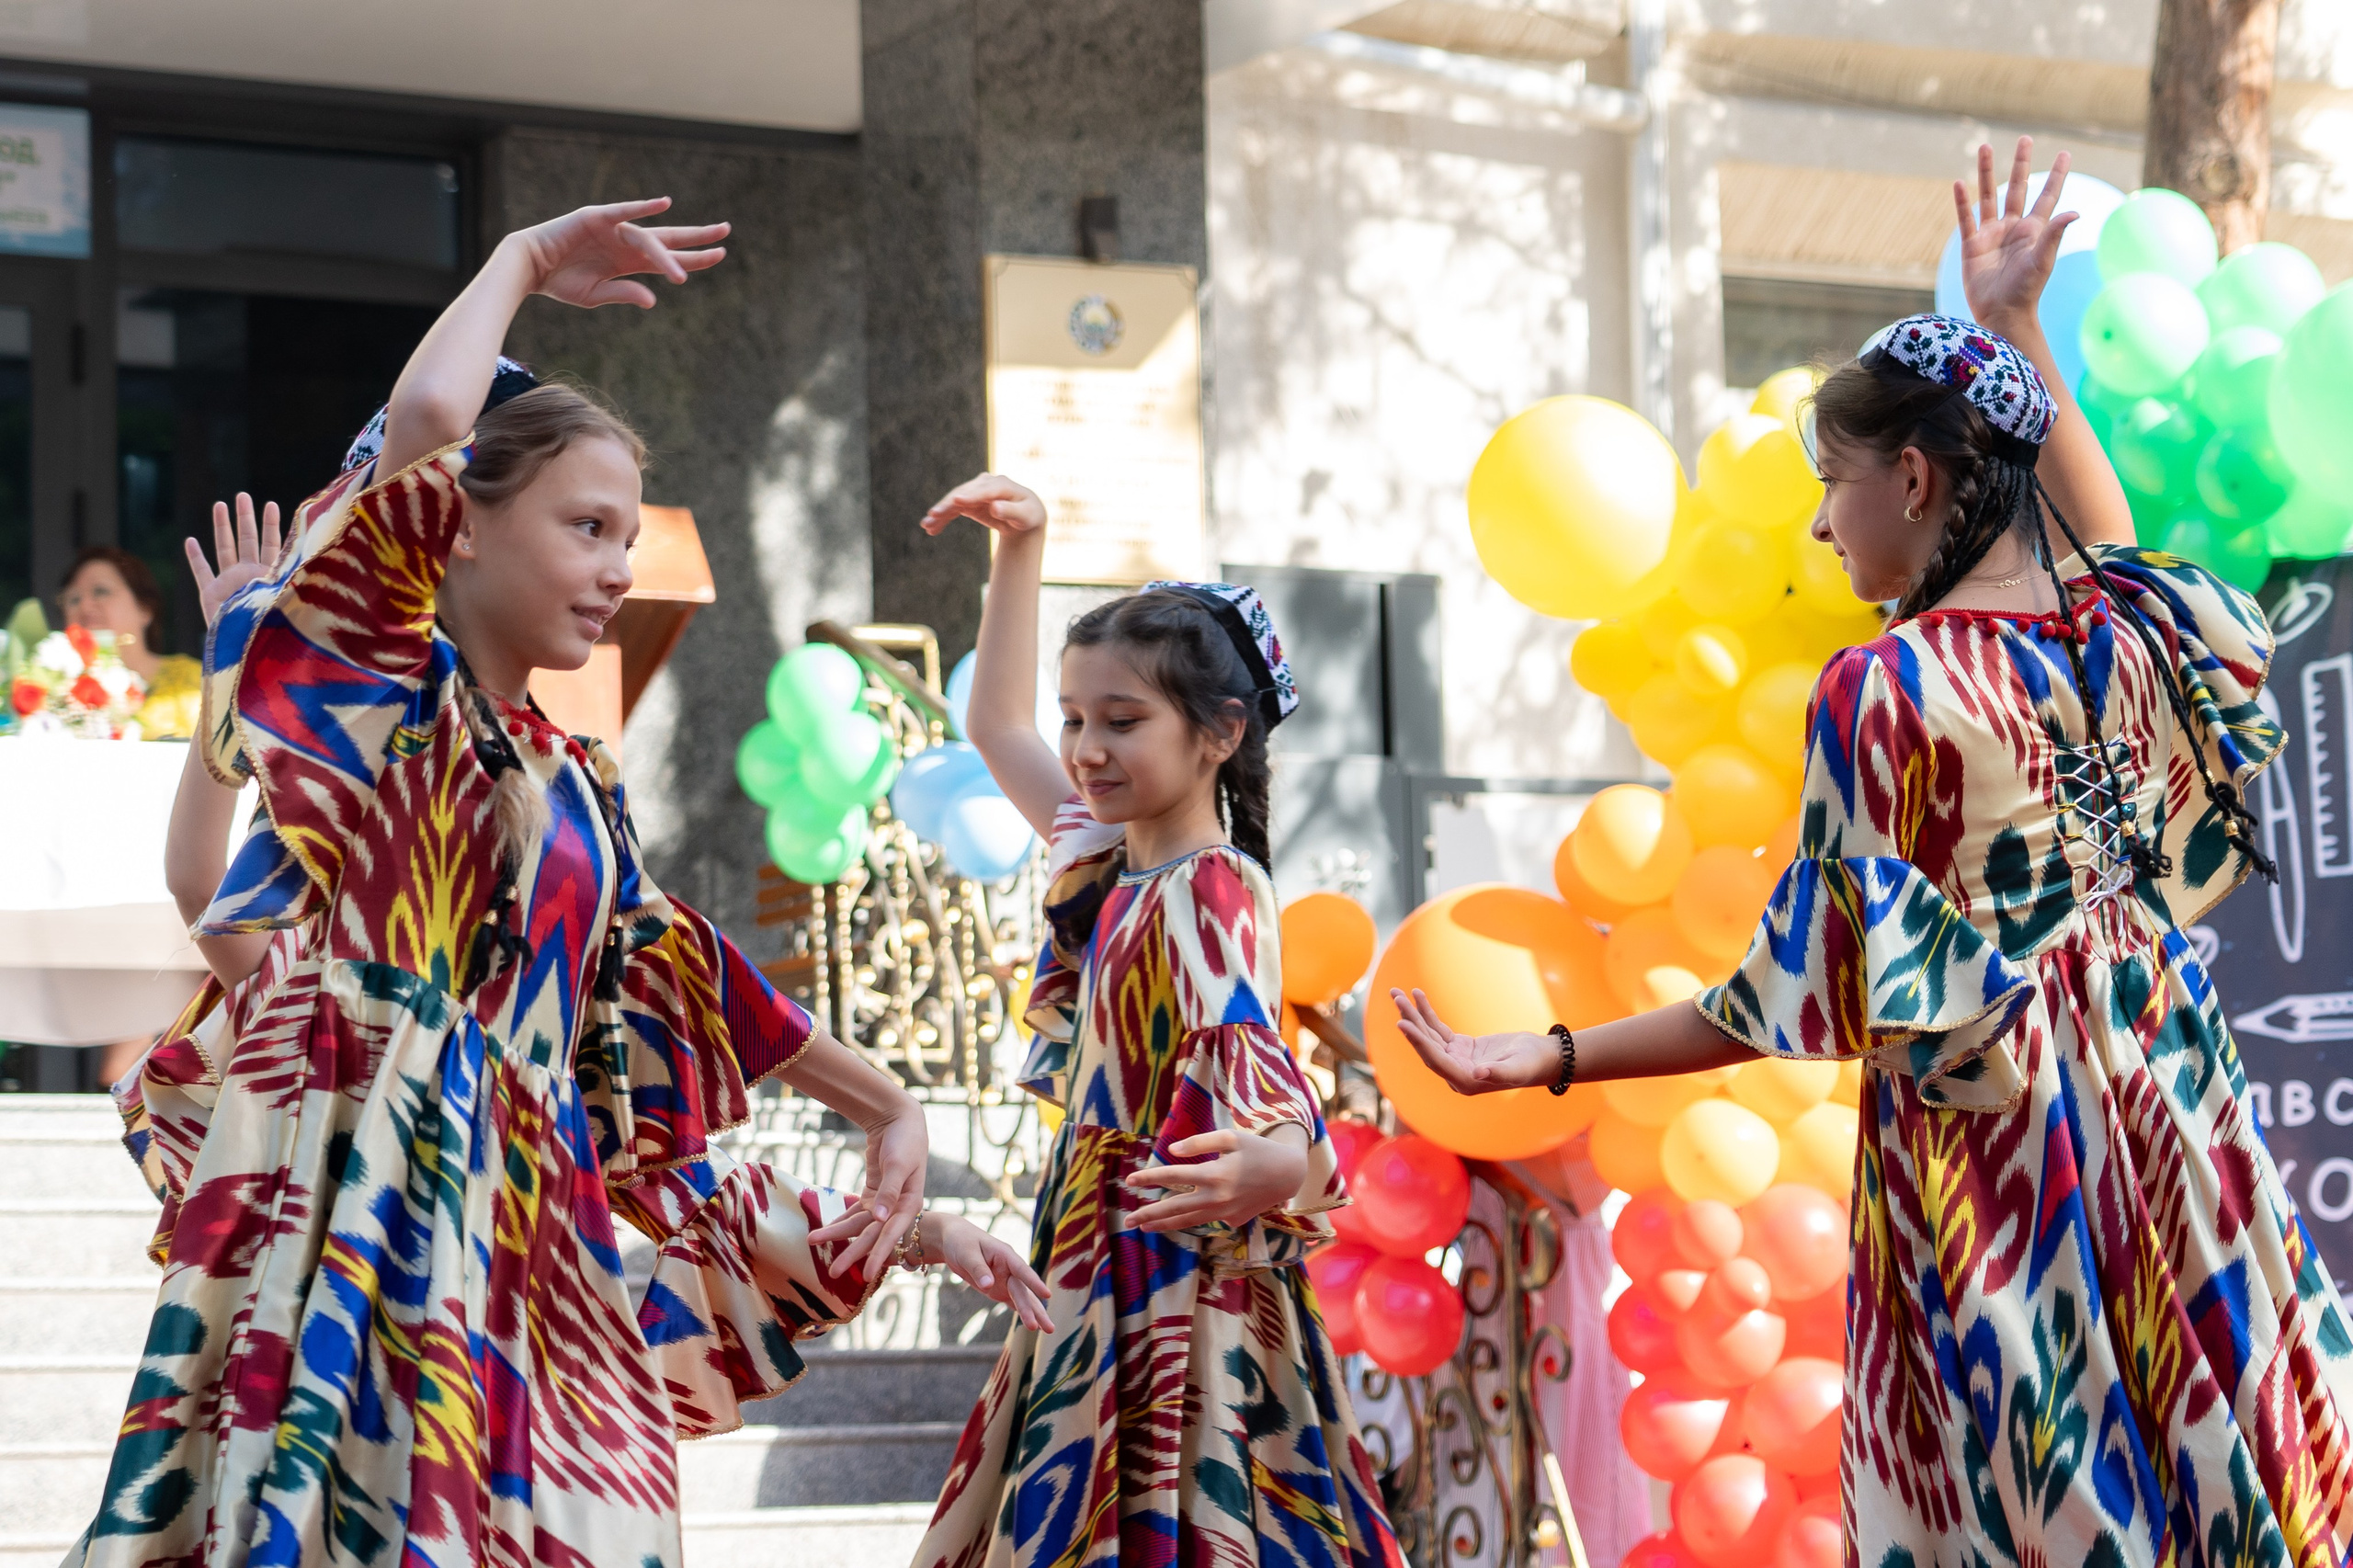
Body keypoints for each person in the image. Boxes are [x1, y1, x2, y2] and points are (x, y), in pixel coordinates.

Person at [1393, 140, 2353, 1561]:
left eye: (1832, 484)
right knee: (2210, 1460)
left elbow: (1776, 999)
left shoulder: (1889, 690)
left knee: (2044, 1501)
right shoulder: (2128, 628)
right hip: (2172, 1114)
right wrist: (2019, 329)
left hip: (2001, 1159)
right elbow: (2110, 533)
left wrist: (1549, 1056)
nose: (1819, 522)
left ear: (1912, 476)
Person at [70, 199, 1047, 1568]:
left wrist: (897, 1143)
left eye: (625, 533)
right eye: (587, 526)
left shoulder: (576, 778)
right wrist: (519, 262)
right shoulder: (392, 703)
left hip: (525, 1255)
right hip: (375, 1225)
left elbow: (692, 997)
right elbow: (418, 431)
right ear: (450, 531)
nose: (618, 566)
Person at [906, 473, 1403, 1568]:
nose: (1084, 745)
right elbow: (994, 724)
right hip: (1092, 1254)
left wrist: (1281, 1163)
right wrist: (1023, 547)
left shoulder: (1213, 882)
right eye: (1078, 717)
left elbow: (1265, 1084)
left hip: (1173, 1274)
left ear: (1221, 732)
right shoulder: (1104, 860)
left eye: (1121, 721)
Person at [57, 544, 199, 737]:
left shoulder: (194, 683)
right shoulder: (57, 695)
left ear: (145, 609)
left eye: (101, 591)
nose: (85, 606)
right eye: (73, 599)